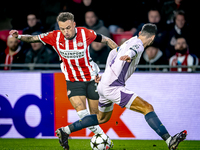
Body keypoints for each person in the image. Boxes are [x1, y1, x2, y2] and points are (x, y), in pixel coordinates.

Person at [55, 23, 187, 150]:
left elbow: (113, 53)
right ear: (152, 38)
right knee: (147, 108)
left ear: (140, 32)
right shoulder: (138, 44)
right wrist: (129, 56)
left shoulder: (130, 40)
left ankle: (65, 131)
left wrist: (105, 75)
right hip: (113, 87)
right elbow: (133, 51)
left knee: (101, 118)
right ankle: (169, 140)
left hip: (104, 85)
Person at [9, 12, 118, 147]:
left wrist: (118, 53)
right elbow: (33, 39)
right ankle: (104, 141)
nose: (65, 32)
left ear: (74, 24)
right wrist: (18, 36)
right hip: (73, 81)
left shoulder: (85, 34)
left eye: (68, 27)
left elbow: (106, 40)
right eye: (62, 28)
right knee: (83, 114)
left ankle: (68, 131)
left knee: (96, 118)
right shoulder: (54, 36)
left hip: (91, 79)